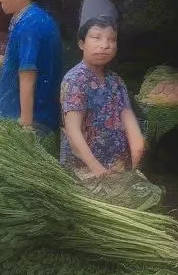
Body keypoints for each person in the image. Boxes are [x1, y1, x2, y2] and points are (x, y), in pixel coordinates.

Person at [60, 17, 145, 176]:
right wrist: (97, 169)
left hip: (117, 168)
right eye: (96, 37)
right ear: (81, 44)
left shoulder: (115, 81)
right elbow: (73, 131)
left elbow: (130, 123)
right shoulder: (75, 80)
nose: (105, 45)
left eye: (111, 39)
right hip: (86, 172)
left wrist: (136, 156)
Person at [0, 0, 63, 132]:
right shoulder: (27, 17)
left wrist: (25, 124)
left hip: (32, 121)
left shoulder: (30, 25)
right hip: (26, 115)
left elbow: (27, 76)